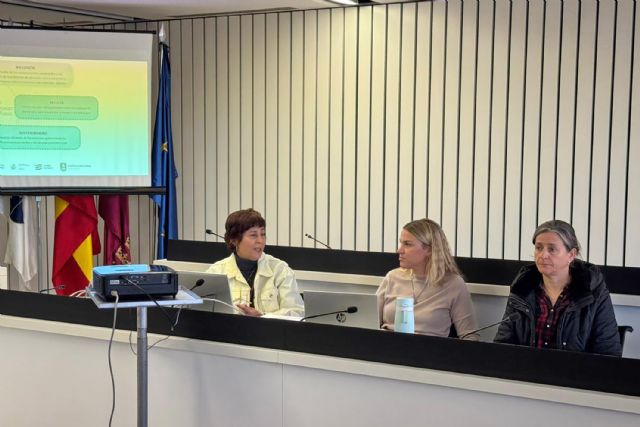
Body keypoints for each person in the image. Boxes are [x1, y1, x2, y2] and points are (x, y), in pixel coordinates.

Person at [494, 220, 621, 356]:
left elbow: (608, 352)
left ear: (571, 255)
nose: (543, 255)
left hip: (575, 369)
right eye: (539, 248)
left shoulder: (593, 291)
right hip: (526, 368)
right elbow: (502, 346)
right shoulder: (522, 288)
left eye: (552, 249)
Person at [376, 219, 478, 339]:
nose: (399, 250)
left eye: (407, 244)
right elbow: (368, 321)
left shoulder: (453, 284)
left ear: (429, 249)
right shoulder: (392, 277)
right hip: (386, 346)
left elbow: (470, 336)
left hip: (429, 349)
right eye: (401, 243)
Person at [206, 208, 304, 317]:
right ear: (234, 240)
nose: (260, 241)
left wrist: (262, 317)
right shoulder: (216, 271)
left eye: (263, 234)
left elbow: (297, 312)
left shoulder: (280, 270)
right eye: (253, 235)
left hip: (269, 328)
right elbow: (204, 312)